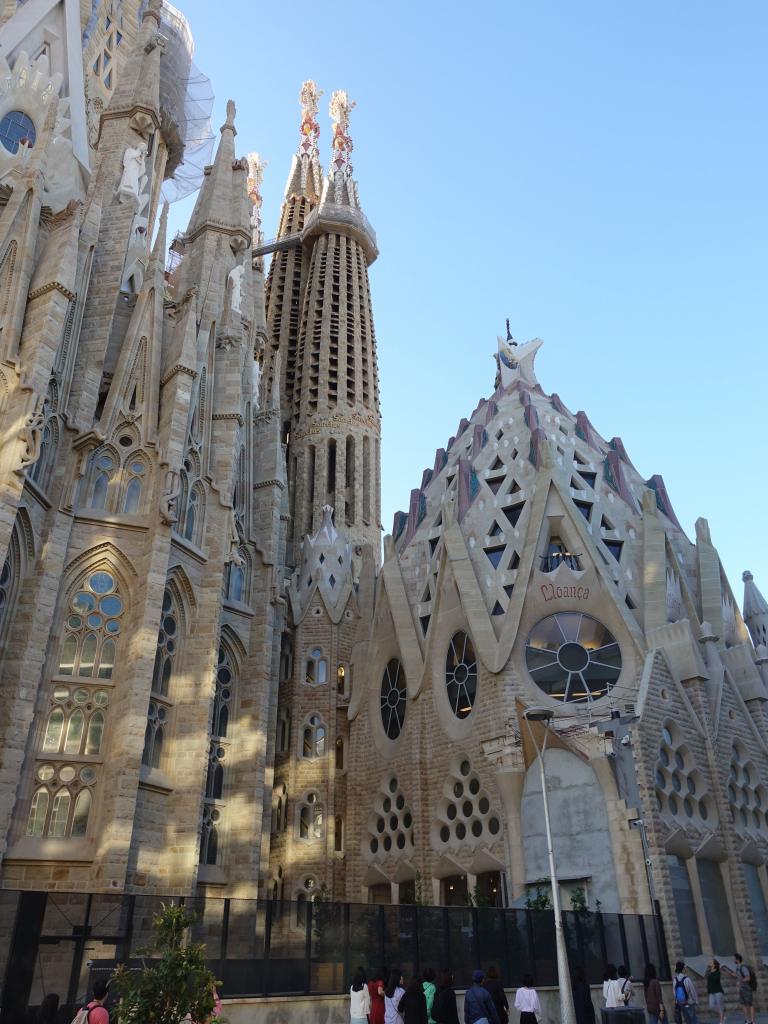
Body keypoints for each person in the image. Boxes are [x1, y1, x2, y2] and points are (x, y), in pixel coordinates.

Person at [723, 953, 756, 1024]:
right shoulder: (737, 967)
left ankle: (752, 1021)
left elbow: (748, 978)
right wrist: (727, 970)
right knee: (743, 1004)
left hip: (747, 988)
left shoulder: (743, 967)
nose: (733, 960)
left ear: (737, 959)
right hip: (741, 989)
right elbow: (735, 975)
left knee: (749, 1004)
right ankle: (747, 1020)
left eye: (734, 959)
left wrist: (740, 982)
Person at [703, 959, 724, 1024]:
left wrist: (710, 973)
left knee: (719, 1006)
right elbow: (707, 980)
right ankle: (722, 1015)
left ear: (714, 964)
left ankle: (721, 1021)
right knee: (711, 1006)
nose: (709, 962)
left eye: (711, 962)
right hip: (711, 992)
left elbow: (716, 979)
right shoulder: (709, 971)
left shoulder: (718, 972)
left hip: (718, 991)